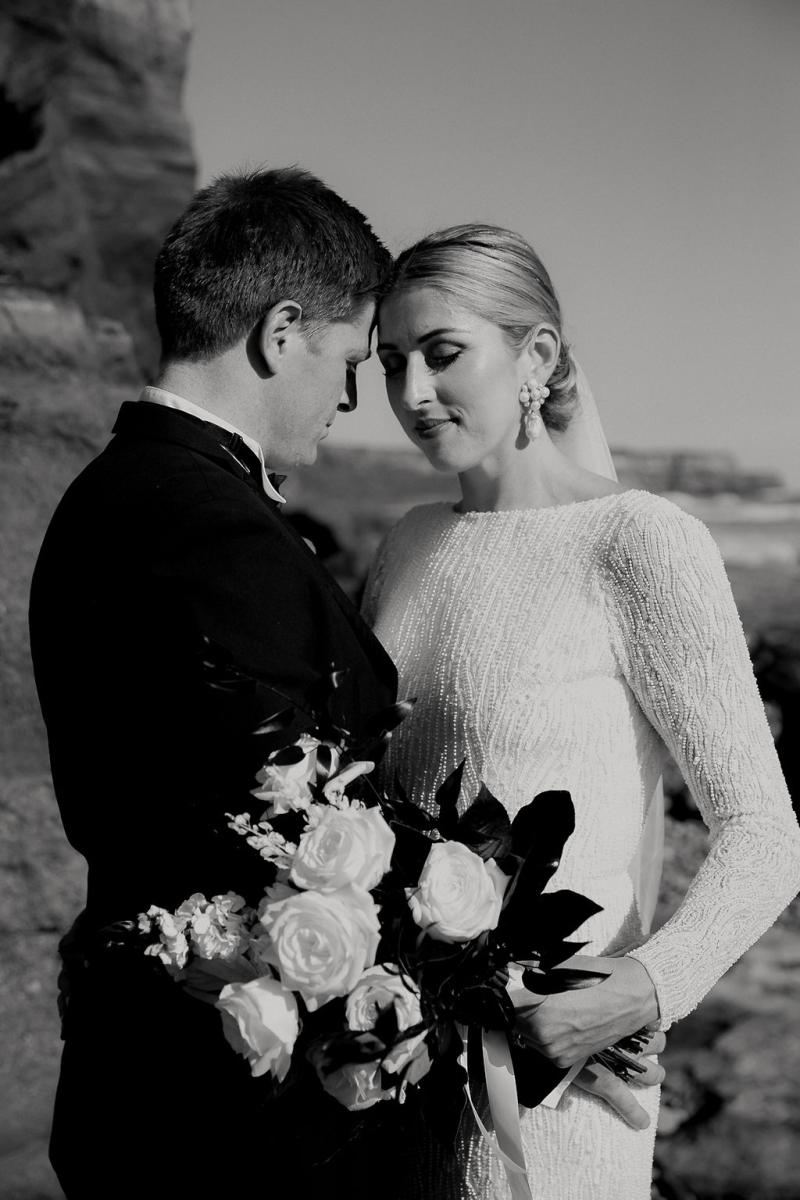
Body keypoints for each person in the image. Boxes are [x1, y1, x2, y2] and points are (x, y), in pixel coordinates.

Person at [363, 224, 800, 1199]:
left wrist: (645, 988)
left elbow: (764, 830)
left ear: (538, 357)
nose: (410, 395)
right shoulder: (407, 543)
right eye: (390, 363)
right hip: (390, 1069)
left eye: (441, 355)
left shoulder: (636, 541)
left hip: (556, 1096)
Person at [29, 167, 401, 1199]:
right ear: (281, 333)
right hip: (228, 1121)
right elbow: (283, 837)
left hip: (135, 1080)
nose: (349, 396)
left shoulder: (109, 494)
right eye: (346, 359)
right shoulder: (219, 532)